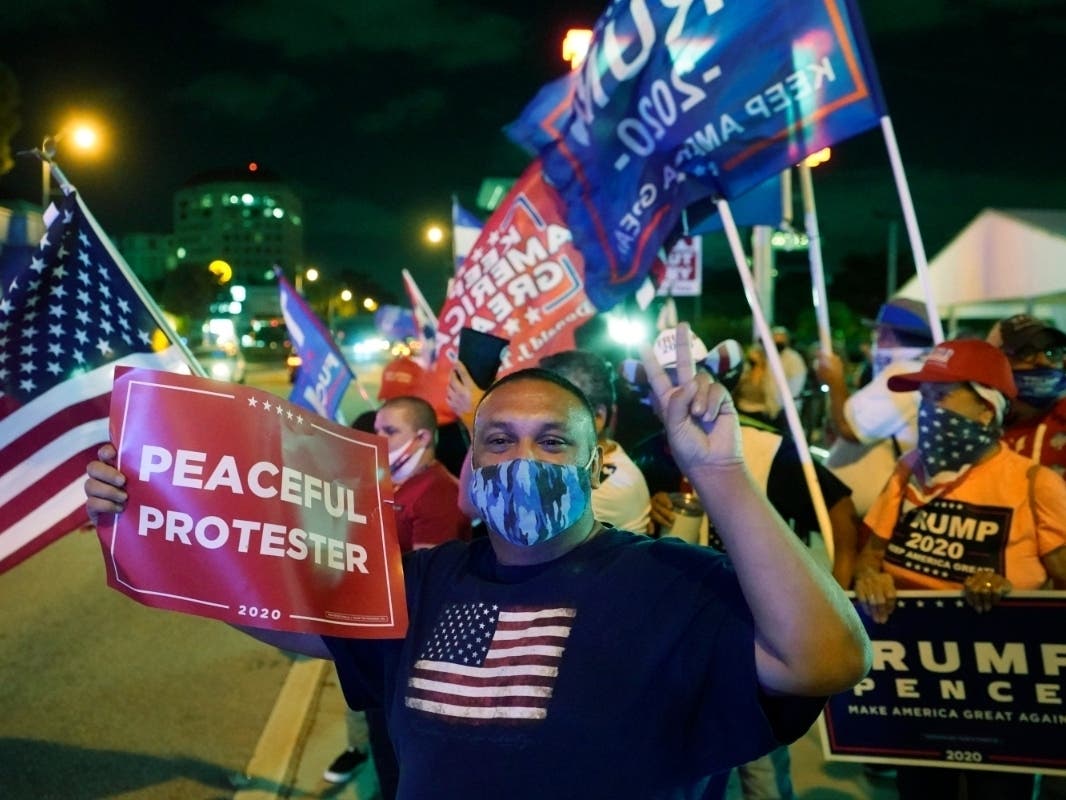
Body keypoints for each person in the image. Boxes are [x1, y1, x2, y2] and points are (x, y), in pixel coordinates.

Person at [85, 324, 871, 799]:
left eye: (553, 441)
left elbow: (829, 659)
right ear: (471, 466)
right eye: (498, 440)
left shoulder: (670, 581)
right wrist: (160, 536)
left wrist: (719, 471)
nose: (523, 456)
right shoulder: (426, 581)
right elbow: (306, 628)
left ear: (598, 468)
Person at [852, 338, 1066, 800]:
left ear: (987, 409)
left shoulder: (1035, 484)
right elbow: (870, 555)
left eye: (941, 396)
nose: (927, 410)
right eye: (923, 398)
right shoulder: (908, 470)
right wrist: (871, 576)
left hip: (1003, 702)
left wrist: (1015, 600)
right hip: (918, 695)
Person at [325, 395, 472, 791]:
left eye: (390, 431)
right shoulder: (390, 481)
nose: (378, 438)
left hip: (406, 652)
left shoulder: (437, 494)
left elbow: (423, 588)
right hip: (377, 638)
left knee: (398, 761)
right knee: (380, 740)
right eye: (376, 430)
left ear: (422, 436)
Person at [816, 297, 935, 516]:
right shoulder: (922, 370)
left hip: (874, 516)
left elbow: (850, 430)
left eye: (878, 333)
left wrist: (835, 381)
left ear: (886, 335)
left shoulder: (904, 373)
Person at [537, 349, 652, 533]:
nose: (533, 420)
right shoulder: (578, 466)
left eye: (550, 410)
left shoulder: (600, 490)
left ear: (598, 417)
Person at [986, 313, 1066, 477]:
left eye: (1052, 352)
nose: (1044, 361)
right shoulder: (974, 427)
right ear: (994, 362)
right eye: (1026, 352)